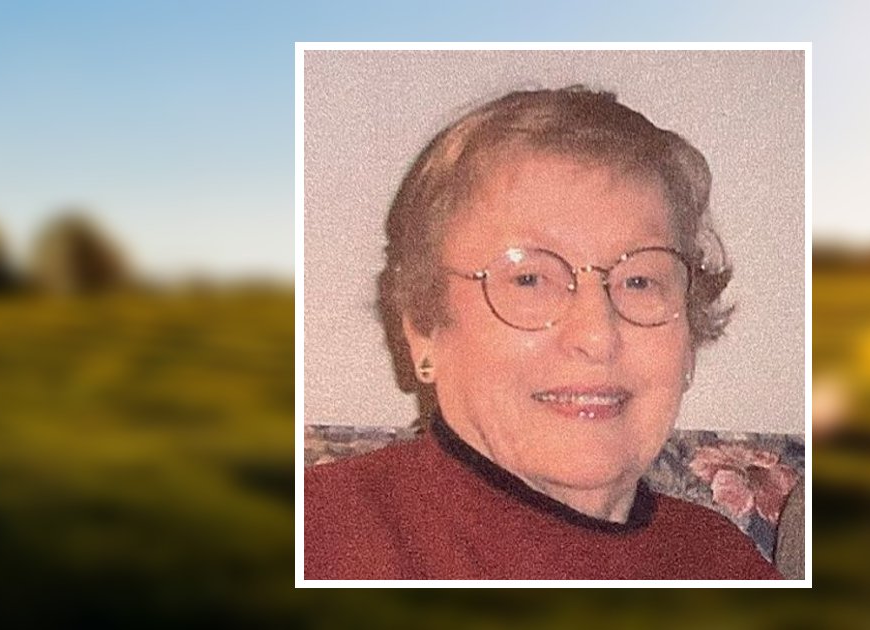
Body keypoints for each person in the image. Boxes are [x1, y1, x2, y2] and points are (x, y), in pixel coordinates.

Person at [305, 86, 782, 580]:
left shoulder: (723, 563)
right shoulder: (317, 537)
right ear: (422, 329)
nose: (597, 335)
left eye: (639, 281)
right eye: (529, 279)